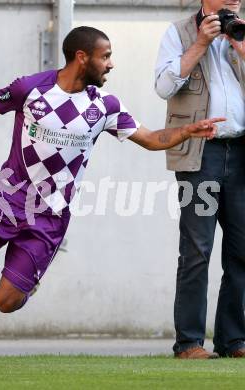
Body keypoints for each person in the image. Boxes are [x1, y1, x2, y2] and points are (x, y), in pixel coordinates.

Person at [0, 26, 222, 366]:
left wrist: (186, 131)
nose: (111, 65)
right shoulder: (30, 89)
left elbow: (150, 138)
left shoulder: (105, 106)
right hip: (6, 200)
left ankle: (27, 284)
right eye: (106, 57)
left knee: (6, 302)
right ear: (82, 58)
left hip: (50, 216)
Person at [155, 0, 245, 359]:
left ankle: (233, 340)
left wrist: (240, 48)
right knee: (197, 249)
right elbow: (163, 86)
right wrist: (200, 45)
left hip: (241, 154)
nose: (235, 0)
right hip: (199, 155)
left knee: (241, 251)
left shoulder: (242, 33)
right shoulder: (178, 33)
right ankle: (189, 342)